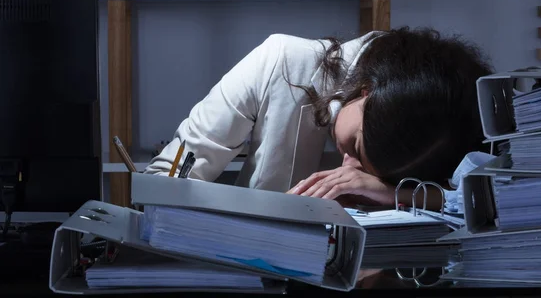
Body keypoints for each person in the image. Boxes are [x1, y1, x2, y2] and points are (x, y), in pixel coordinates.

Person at [144, 27, 492, 208]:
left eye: (375, 171)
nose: (348, 167)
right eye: (354, 146)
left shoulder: (452, 114)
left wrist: (396, 193)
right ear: (366, 92)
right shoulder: (279, 62)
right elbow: (161, 182)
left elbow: (498, 198)